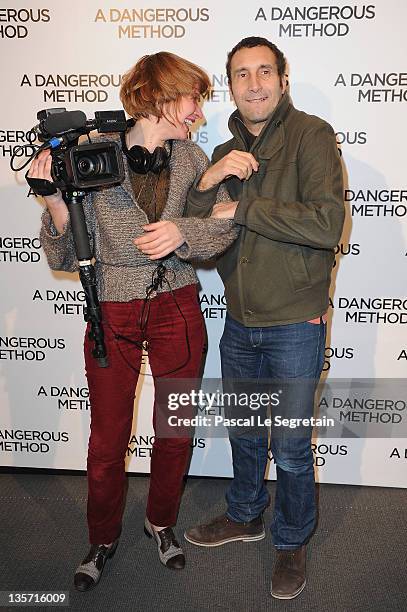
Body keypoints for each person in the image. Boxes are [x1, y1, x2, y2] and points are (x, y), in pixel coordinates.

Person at [29, 51, 237, 591]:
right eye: (192, 97)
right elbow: (65, 255)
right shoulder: (90, 157)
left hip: (178, 304)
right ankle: (102, 537)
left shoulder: (194, 159)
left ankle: (160, 521)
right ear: (161, 96)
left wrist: (182, 233)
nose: (198, 108)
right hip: (112, 308)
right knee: (108, 437)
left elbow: (223, 232)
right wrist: (54, 203)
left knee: (175, 429)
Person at [183, 37, 345, 599]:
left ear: (282, 78)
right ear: (231, 85)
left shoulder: (312, 136)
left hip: (294, 320)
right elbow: (195, 242)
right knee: (246, 433)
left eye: (264, 72)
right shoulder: (222, 152)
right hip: (240, 320)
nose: (254, 84)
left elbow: (326, 225)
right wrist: (207, 183)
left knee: (294, 446)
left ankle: (291, 538)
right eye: (242, 75)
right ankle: (247, 513)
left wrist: (242, 206)